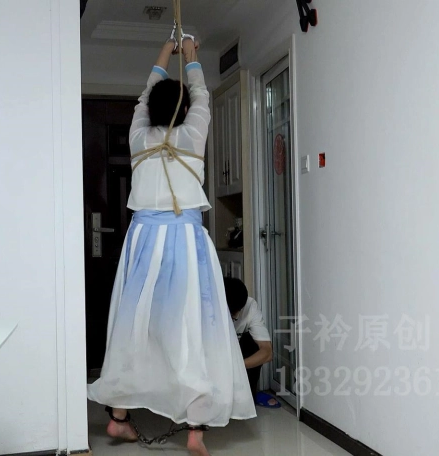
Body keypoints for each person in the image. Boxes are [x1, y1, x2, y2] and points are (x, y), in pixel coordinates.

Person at [87, 36, 256, 456]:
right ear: (184, 109)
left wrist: (166, 50)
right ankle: (195, 427)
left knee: (134, 326)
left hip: (144, 241)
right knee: (192, 328)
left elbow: (145, 94)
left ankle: (119, 417)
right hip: (185, 240)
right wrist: (192, 56)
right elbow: (201, 94)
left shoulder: (138, 136)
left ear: (149, 110)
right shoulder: (193, 133)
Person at [223, 277, 281, 408]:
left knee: (252, 343)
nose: (232, 319)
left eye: (233, 316)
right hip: (213, 355)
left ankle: (248, 395)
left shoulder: (249, 306)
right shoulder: (204, 306)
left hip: (236, 357)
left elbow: (267, 352)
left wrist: (236, 366)